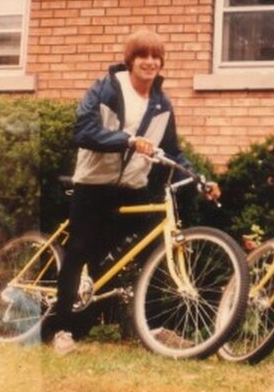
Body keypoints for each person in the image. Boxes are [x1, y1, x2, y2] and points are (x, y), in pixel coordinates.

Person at [50, 29, 220, 355]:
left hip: (131, 187)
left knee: (147, 252)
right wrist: (126, 140)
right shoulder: (106, 89)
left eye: (156, 57)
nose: (150, 62)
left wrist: (201, 179)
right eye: (143, 56)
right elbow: (84, 131)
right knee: (80, 250)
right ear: (131, 60)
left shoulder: (161, 104)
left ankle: (149, 326)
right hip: (93, 183)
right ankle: (61, 329)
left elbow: (172, 150)